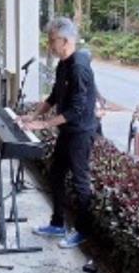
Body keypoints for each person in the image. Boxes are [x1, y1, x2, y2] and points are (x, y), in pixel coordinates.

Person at [22, 17, 97, 249]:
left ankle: (83, 231)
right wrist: (34, 116)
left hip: (80, 132)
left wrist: (44, 125)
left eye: (52, 40)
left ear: (65, 41)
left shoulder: (79, 67)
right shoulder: (63, 64)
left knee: (80, 182)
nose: (49, 44)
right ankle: (57, 224)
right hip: (67, 131)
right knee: (56, 174)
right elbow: (55, 95)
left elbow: (76, 109)